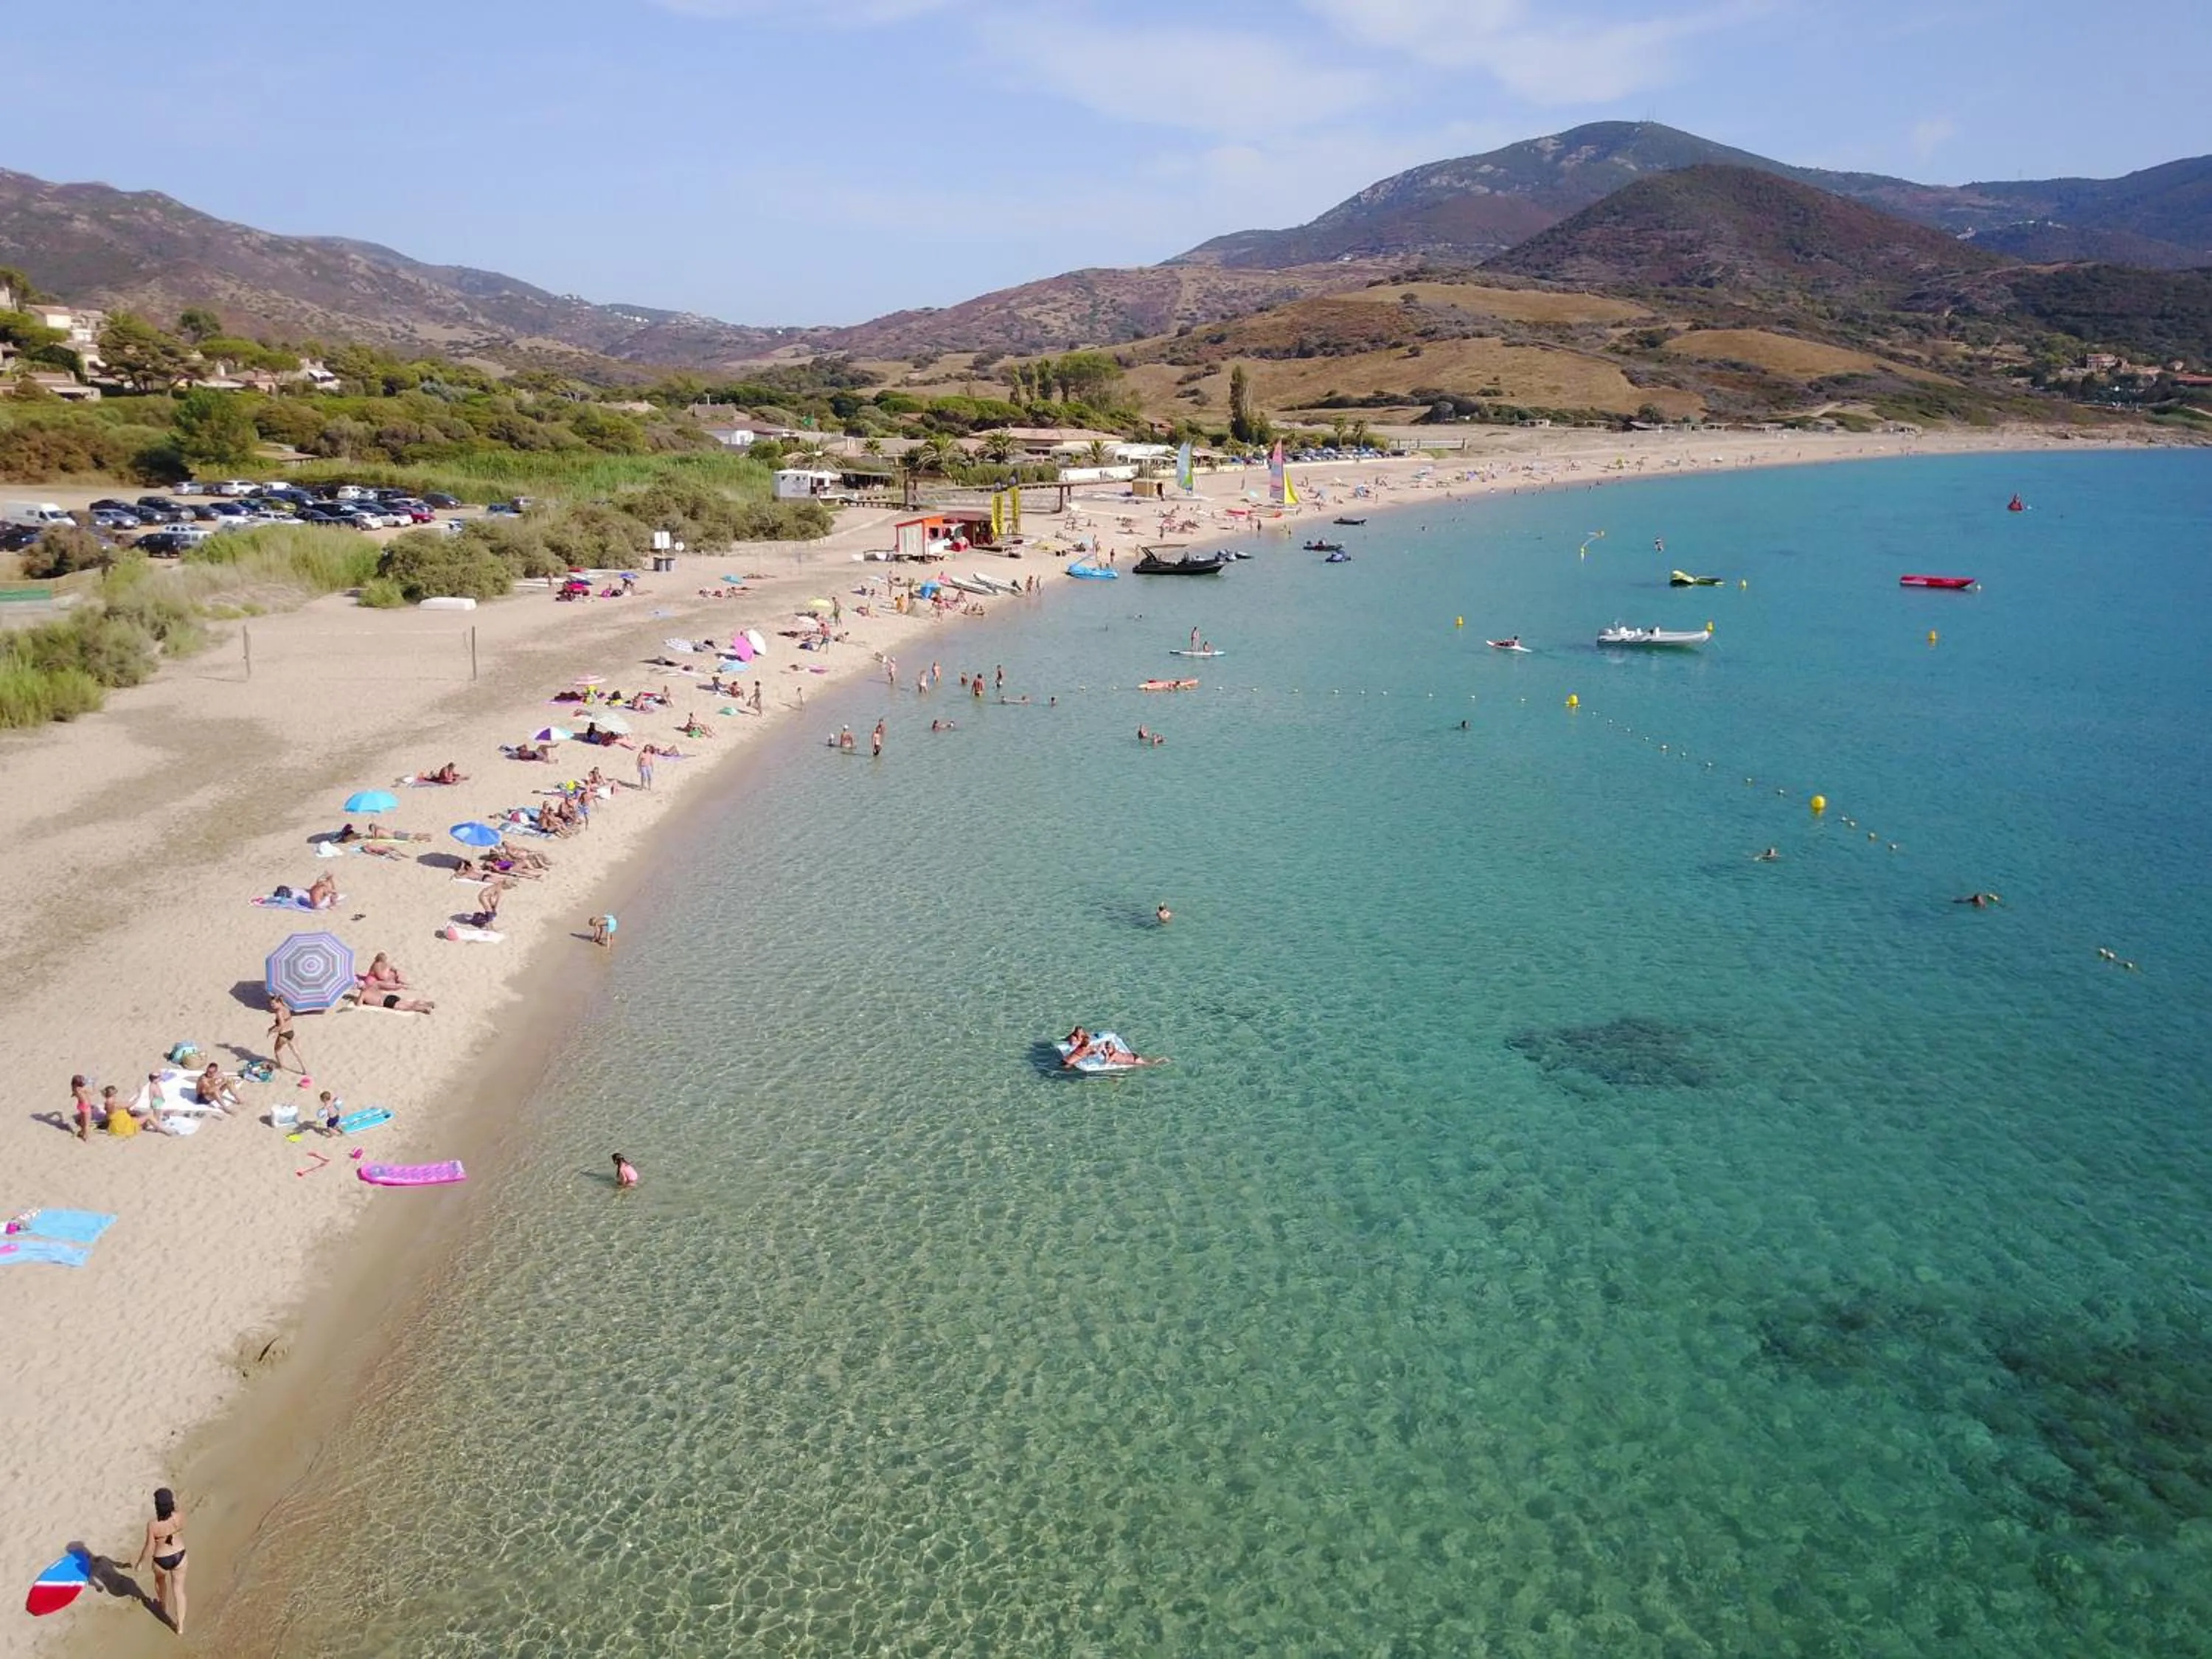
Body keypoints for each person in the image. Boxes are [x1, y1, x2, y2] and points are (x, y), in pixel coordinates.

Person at [135, 1486, 187, 1635]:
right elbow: (182, 1524)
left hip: (161, 1559)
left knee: (160, 1581)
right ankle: (180, 1627)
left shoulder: (153, 1525)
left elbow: (149, 1547)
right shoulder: (179, 1516)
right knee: (179, 1591)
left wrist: (140, 1562)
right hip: (180, 1556)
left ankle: (163, 1606)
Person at [267, 996, 305, 1074]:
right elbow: (286, 1021)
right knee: (296, 1052)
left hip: (283, 1034)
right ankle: (304, 1069)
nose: (272, 1005)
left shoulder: (279, 1012)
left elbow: (281, 1025)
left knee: (277, 1051)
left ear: (279, 1002)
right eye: (271, 1004)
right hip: (291, 1032)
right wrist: (272, 1028)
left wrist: (271, 1031)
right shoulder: (286, 1008)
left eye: (274, 1004)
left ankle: (281, 1067)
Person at [71, 1074, 95, 1142]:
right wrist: (93, 1084)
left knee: (82, 1120)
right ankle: (86, 1137)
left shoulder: (75, 1089)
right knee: (87, 1123)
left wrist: (88, 1081)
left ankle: (82, 1131)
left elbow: (82, 1083)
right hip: (86, 1107)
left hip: (81, 1105)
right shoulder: (81, 1089)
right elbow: (93, 1092)